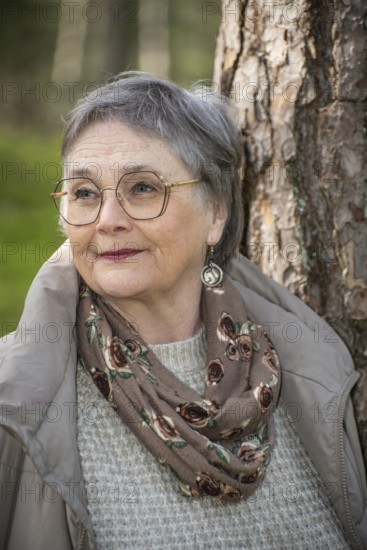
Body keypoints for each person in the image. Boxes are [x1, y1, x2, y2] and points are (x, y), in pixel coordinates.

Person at [0, 72, 366, 550]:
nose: (108, 220)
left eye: (143, 188)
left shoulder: (312, 367)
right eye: (85, 194)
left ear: (216, 211)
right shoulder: (18, 397)